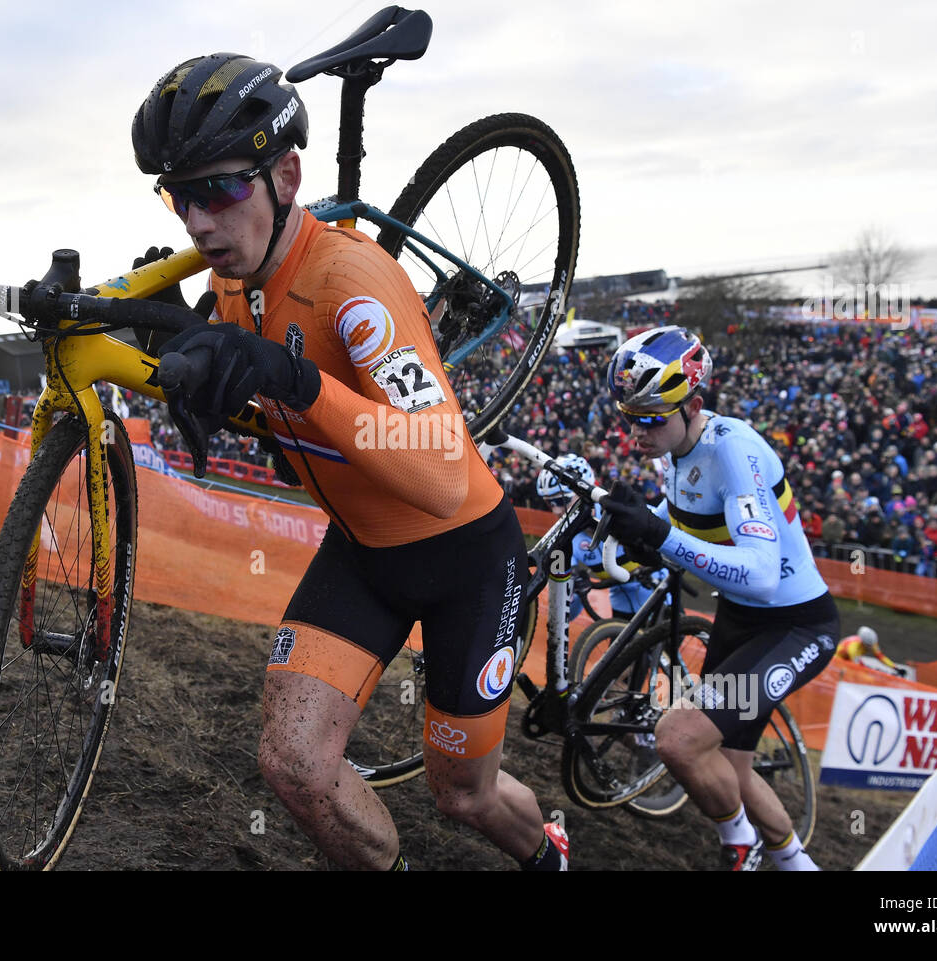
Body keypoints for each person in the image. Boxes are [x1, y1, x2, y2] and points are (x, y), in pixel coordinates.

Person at [133, 54, 565, 871]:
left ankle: (549, 854)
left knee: (462, 794)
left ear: (286, 175)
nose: (197, 221)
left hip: (465, 556)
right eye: (178, 194)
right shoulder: (233, 276)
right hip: (363, 552)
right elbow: (264, 408)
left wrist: (295, 379)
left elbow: (440, 472)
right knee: (294, 765)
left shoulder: (353, 284)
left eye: (219, 190)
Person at [599, 326, 839, 871]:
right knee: (731, 766)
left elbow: (760, 577)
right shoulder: (676, 448)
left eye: (650, 418)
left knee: (679, 740)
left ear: (694, 405)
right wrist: (626, 543)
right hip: (742, 620)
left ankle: (741, 845)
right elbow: (683, 520)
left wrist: (658, 538)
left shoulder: (733, 450)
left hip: (795, 626)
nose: (637, 430)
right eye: (628, 416)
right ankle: (797, 864)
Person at [536, 452, 657, 619]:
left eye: (560, 500)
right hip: (621, 603)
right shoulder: (566, 537)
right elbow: (565, 616)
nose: (556, 510)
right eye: (549, 502)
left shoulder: (621, 510)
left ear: (583, 489)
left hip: (659, 594)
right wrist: (574, 589)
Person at [837, 625, 906, 676]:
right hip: (837, 659)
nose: (872, 648)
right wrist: (872, 671)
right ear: (863, 643)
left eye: (873, 645)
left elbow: (880, 656)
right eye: (869, 646)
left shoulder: (871, 643)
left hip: (849, 660)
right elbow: (858, 665)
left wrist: (895, 668)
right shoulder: (853, 648)